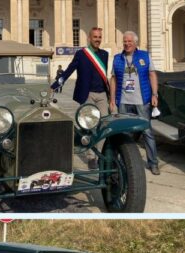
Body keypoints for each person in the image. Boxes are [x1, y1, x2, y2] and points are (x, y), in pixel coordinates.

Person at [52, 27, 109, 168]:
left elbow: (105, 76)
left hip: (102, 94)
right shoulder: (81, 54)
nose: (97, 39)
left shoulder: (105, 55)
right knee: (90, 125)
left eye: (99, 37)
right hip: (87, 94)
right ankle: (91, 157)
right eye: (95, 37)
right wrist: (54, 85)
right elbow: (69, 70)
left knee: (105, 125)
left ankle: (100, 153)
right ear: (89, 38)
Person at [109, 31, 160, 175]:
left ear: (135, 43)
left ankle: (153, 162)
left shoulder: (145, 56)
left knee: (147, 131)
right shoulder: (118, 58)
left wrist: (154, 94)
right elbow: (113, 79)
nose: (127, 44)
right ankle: (124, 161)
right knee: (123, 133)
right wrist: (112, 99)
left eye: (129, 41)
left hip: (142, 100)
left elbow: (152, 75)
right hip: (123, 101)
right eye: (125, 41)